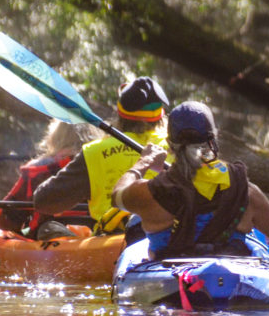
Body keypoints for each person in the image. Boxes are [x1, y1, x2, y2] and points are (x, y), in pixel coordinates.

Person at [111, 100, 269, 259]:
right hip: (232, 285)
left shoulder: (150, 193)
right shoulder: (247, 194)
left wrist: (144, 162)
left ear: (170, 145)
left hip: (172, 288)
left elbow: (116, 195)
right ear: (214, 140)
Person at [32, 76, 170, 243]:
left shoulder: (94, 152)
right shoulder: (177, 147)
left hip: (110, 242)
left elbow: (44, 201)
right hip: (166, 236)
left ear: (120, 115)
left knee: (48, 229)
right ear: (161, 117)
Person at [0, 119, 99, 239]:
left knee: (43, 229)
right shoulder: (101, 163)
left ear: (55, 136)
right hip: (98, 232)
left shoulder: (38, 169)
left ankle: (61, 233)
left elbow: (5, 219)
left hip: (49, 237)